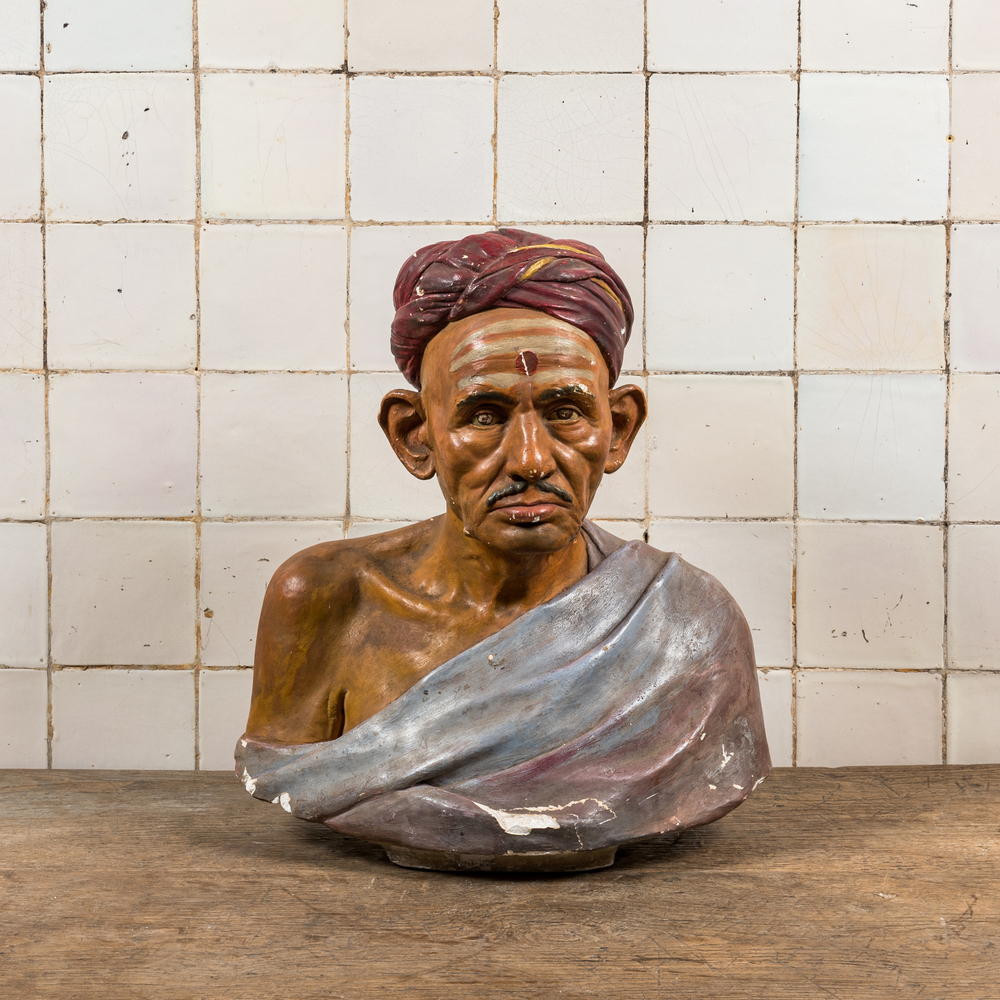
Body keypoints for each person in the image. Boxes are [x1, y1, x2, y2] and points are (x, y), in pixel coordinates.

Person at [236, 229, 770, 871]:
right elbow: (280, 764)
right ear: (415, 434)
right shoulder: (327, 600)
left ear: (619, 427)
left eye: (567, 412)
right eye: (484, 415)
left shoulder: (687, 625)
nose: (531, 459)